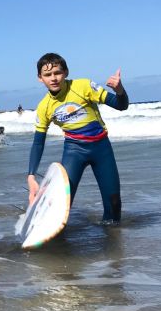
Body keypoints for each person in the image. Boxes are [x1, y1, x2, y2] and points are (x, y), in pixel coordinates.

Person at [26, 53, 128, 223]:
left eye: (57, 72)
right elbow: (38, 143)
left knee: (114, 203)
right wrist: (31, 175)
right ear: (40, 78)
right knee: (63, 202)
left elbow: (121, 105)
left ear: (66, 72)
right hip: (74, 151)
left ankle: (112, 237)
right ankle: (48, 226)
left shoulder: (83, 86)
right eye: (47, 75)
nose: (53, 78)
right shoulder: (44, 107)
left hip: (101, 148)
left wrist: (119, 90)